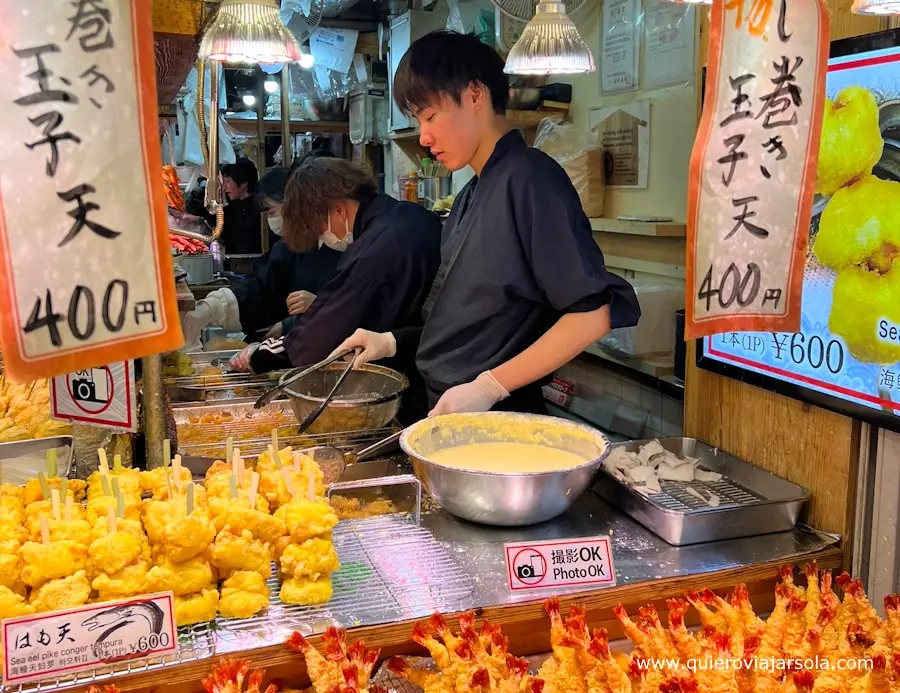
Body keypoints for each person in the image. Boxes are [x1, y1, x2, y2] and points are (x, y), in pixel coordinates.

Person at [331, 30, 640, 417]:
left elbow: (592, 314)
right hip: (450, 407)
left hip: (500, 417)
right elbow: (474, 322)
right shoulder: (469, 195)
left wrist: (489, 387)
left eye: (430, 116)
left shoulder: (530, 179)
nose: (424, 137)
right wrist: (390, 342)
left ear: (475, 94)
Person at [230, 158, 443, 421]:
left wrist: (260, 355)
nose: (325, 239)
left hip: (422, 386)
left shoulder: (375, 245)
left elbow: (326, 328)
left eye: (320, 231)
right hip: (428, 357)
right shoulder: (408, 215)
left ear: (339, 210)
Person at [180, 159, 342, 345]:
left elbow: (355, 307)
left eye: (272, 212)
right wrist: (214, 306)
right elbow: (261, 288)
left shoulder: (339, 245)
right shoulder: (290, 247)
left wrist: (316, 306)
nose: (270, 221)